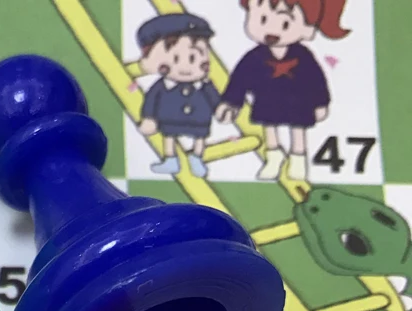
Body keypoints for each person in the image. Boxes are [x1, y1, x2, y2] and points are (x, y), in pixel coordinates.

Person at [215, 0, 349, 181]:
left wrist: (321, 103)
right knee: (269, 127)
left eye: (285, 23)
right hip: (267, 100)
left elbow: (316, 80)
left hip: (299, 102)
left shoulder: (303, 56)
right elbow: (240, 79)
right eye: (263, 19)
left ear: (308, 29)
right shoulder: (255, 56)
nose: (272, 32)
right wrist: (231, 102)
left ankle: (298, 158)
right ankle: (274, 156)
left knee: (298, 129)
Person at [136, 13, 220, 178]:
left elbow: (214, 98)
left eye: (194, 58)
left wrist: (220, 109)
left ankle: (197, 157)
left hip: (200, 120)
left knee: (200, 137)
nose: (186, 67)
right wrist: (149, 118)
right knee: (169, 136)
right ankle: (170, 159)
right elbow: (151, 100)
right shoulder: (161, 87)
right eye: (175, 59)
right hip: (169, 120)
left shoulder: (204, 85)